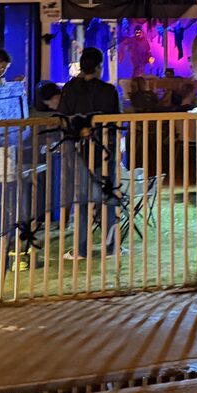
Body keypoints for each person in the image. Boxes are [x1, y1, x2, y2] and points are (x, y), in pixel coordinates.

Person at [59, 49, 125, 258]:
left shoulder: (69, 89)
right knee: (108, 196)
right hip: (104, 151)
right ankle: (111, 246)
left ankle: (80, 248)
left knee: (82, 199)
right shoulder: (108, 91)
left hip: (79, 151)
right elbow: (116, 121)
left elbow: (62, 118)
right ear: (99, 67)